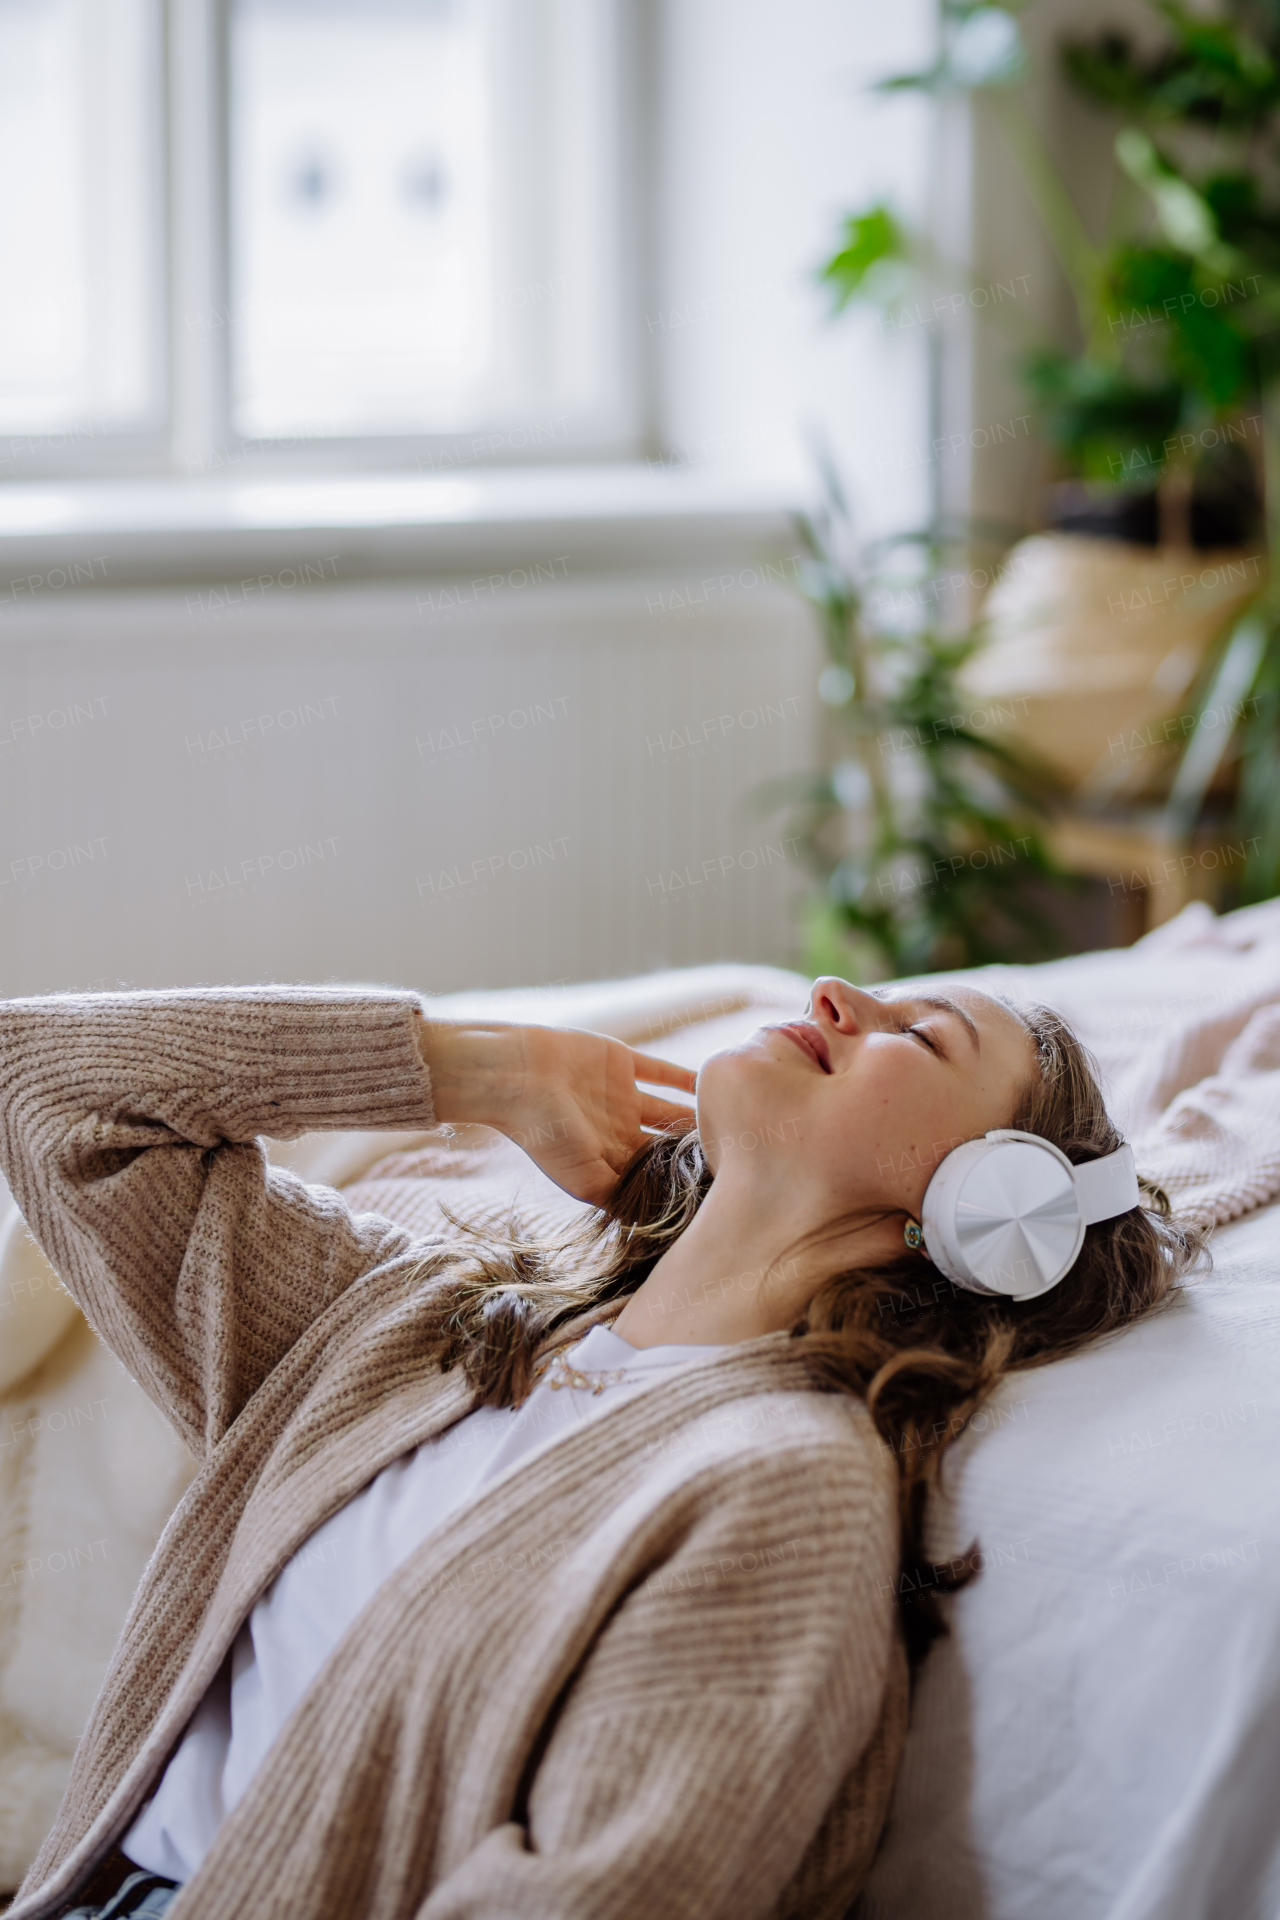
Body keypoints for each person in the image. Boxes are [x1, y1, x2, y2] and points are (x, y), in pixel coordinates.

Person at [0, 975, 1201, 1920]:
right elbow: (45, 1089)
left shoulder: (783, 1490)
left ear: (985, 1207)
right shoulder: (405, 1324)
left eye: (919, 1035)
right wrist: (473, 1067)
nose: (836, 992)